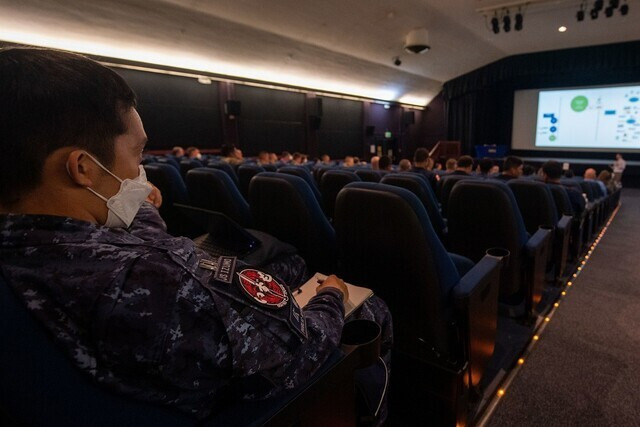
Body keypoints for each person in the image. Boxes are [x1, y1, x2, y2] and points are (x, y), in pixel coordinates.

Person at [0, 48, 392, 421]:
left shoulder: (29, 244)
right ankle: (371, 412)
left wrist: (138, 205)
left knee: (283, 261)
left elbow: (147, 245)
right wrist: (329, 298)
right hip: (256, 403)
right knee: (372, 308)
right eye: (137, 156)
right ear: (83, 169)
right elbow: (297, 349)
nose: (140, 172)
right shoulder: (156, 280)